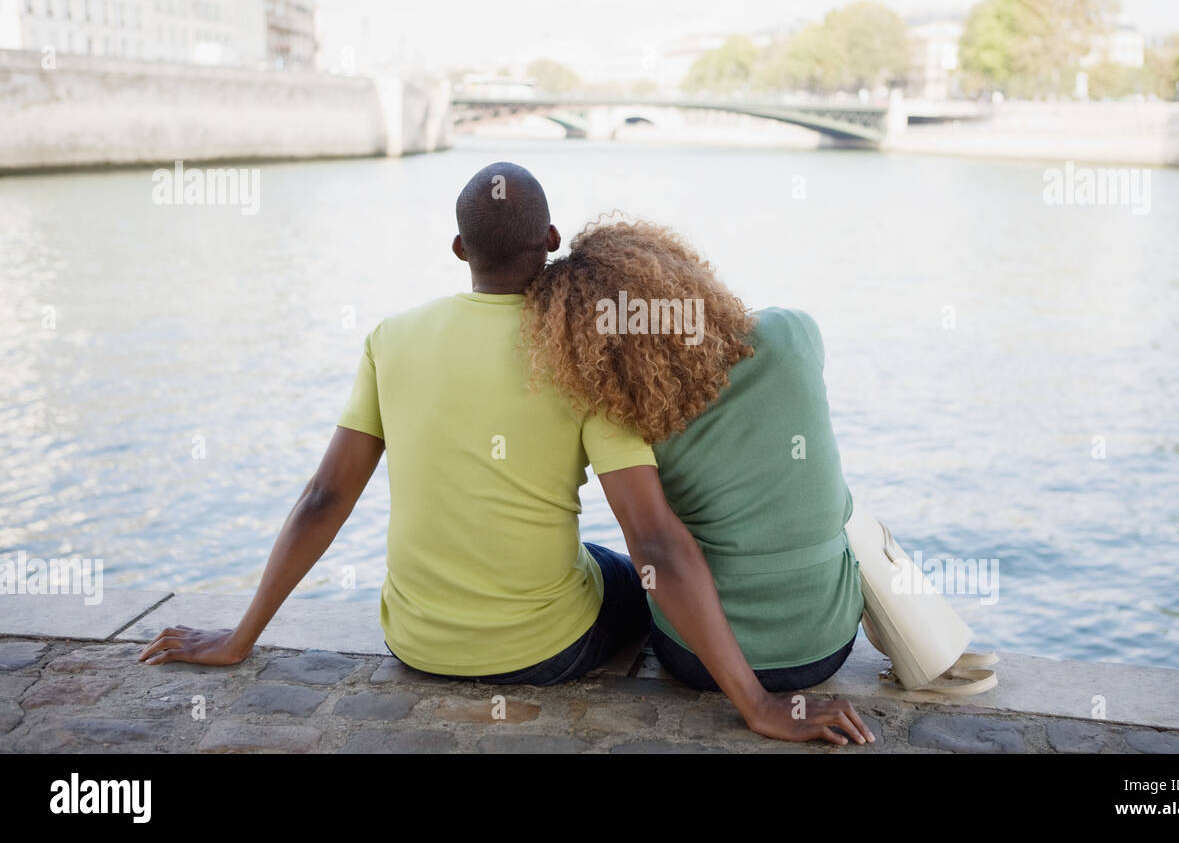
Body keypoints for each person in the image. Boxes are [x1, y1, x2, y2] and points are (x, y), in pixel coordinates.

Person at [138, 162, 869, 747]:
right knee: (631, 571)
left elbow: (324, 499)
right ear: (550, 240)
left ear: (459, 249)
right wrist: (759, 705)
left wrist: (241, 636)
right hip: (548, 652)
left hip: (415, 640)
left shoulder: (390, 338)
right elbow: (655, 542)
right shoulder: (578, 361)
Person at [522, 219, 864, 691]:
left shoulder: (625, 412)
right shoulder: (795, 331)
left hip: (698, 662)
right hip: (830, 644)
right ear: (684, 275)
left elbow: (656, 548)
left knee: (612, 567)